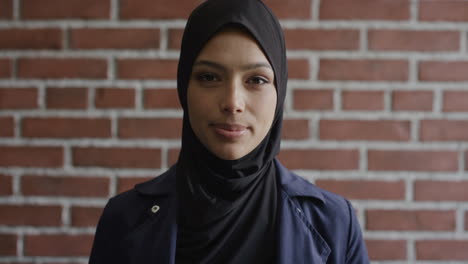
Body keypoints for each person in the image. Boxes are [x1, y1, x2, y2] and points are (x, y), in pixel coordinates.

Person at [89, 0, 370, 263]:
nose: (233, 102)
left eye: (256, 80)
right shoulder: (124, 219)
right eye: (209, 77)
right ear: (184, 87)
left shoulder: (335, 223)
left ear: (279, 91)